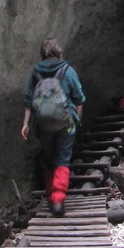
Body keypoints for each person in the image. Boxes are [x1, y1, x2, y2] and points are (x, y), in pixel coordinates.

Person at [22, 37, 85, 216]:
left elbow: (28, 100)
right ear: (59, 51)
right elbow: (79, 97)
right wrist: (77, 119)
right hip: (66, 122)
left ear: (42, 53)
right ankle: (58, 199)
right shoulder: (68, 70)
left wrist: (25, 123)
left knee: (49, 159)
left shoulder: (35, 72)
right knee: (62, 160)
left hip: (43, 124)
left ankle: (50, 196)